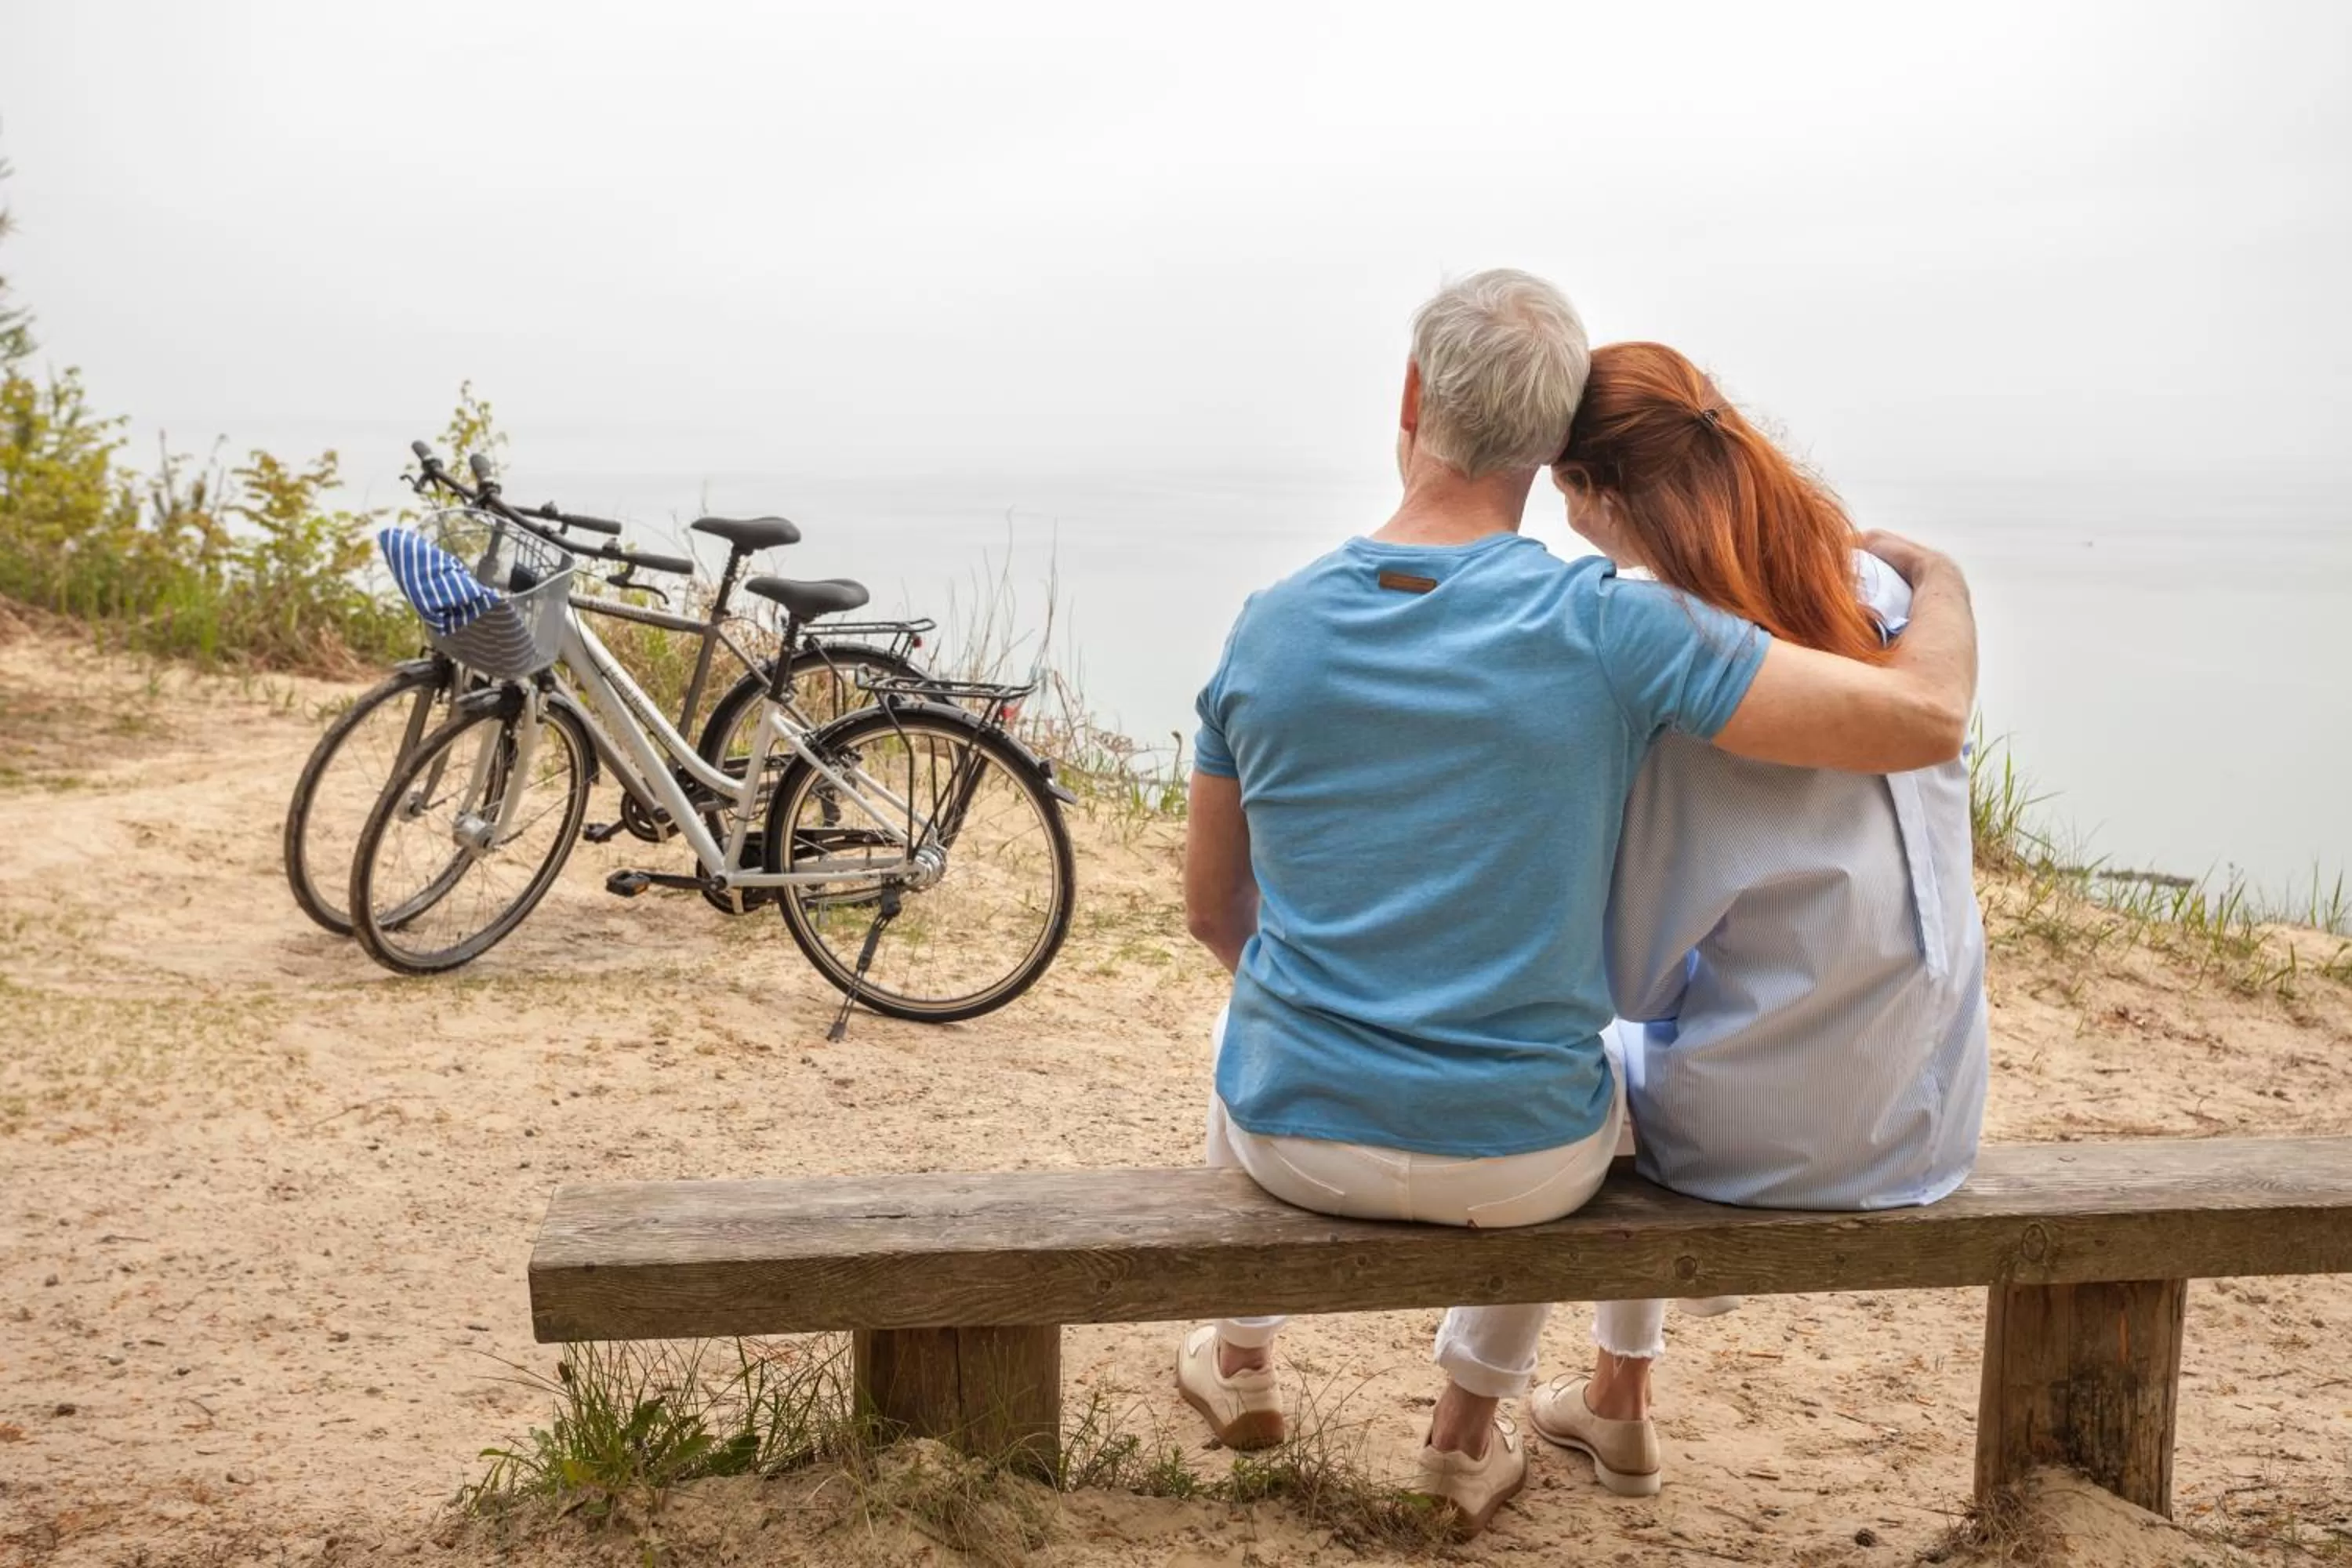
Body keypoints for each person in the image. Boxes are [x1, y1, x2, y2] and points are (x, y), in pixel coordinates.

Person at [1178, 270, 1979, 1534]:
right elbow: (1920, 719)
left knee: (1257, 1004)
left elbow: (1216, 913)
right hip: (1524, 1164)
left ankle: (1237, 1365)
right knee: (1601, 1055)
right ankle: (1479, 1436)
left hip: (1296, 1146)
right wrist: (1940, 585)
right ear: (1555, 447)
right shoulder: (1618, 630)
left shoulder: (1263, 631)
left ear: (1411, 396)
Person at [1472, 341, 1990, 1497]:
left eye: (1567, 491)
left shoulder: (1692, 668)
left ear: (1594, 491)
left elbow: (1635, 978)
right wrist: (1946, 572)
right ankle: (1615, 1400)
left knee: (1556, 1062)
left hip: (1781, 1147)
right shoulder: (1888, 599)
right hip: (1936, 1122)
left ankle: (1467, 1421)